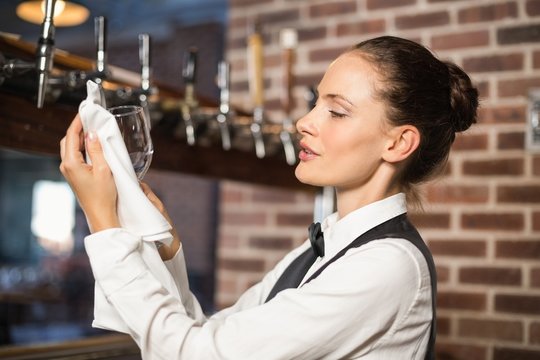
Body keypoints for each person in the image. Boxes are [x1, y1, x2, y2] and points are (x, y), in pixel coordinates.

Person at [59, 36, 478, 359]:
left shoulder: (388, 267)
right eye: (316, 103)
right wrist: (167, 247)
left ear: (399, 143)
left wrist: (104, 225)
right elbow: (206, 336)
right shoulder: (320, 248)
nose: (304, 122)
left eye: (336, 111)